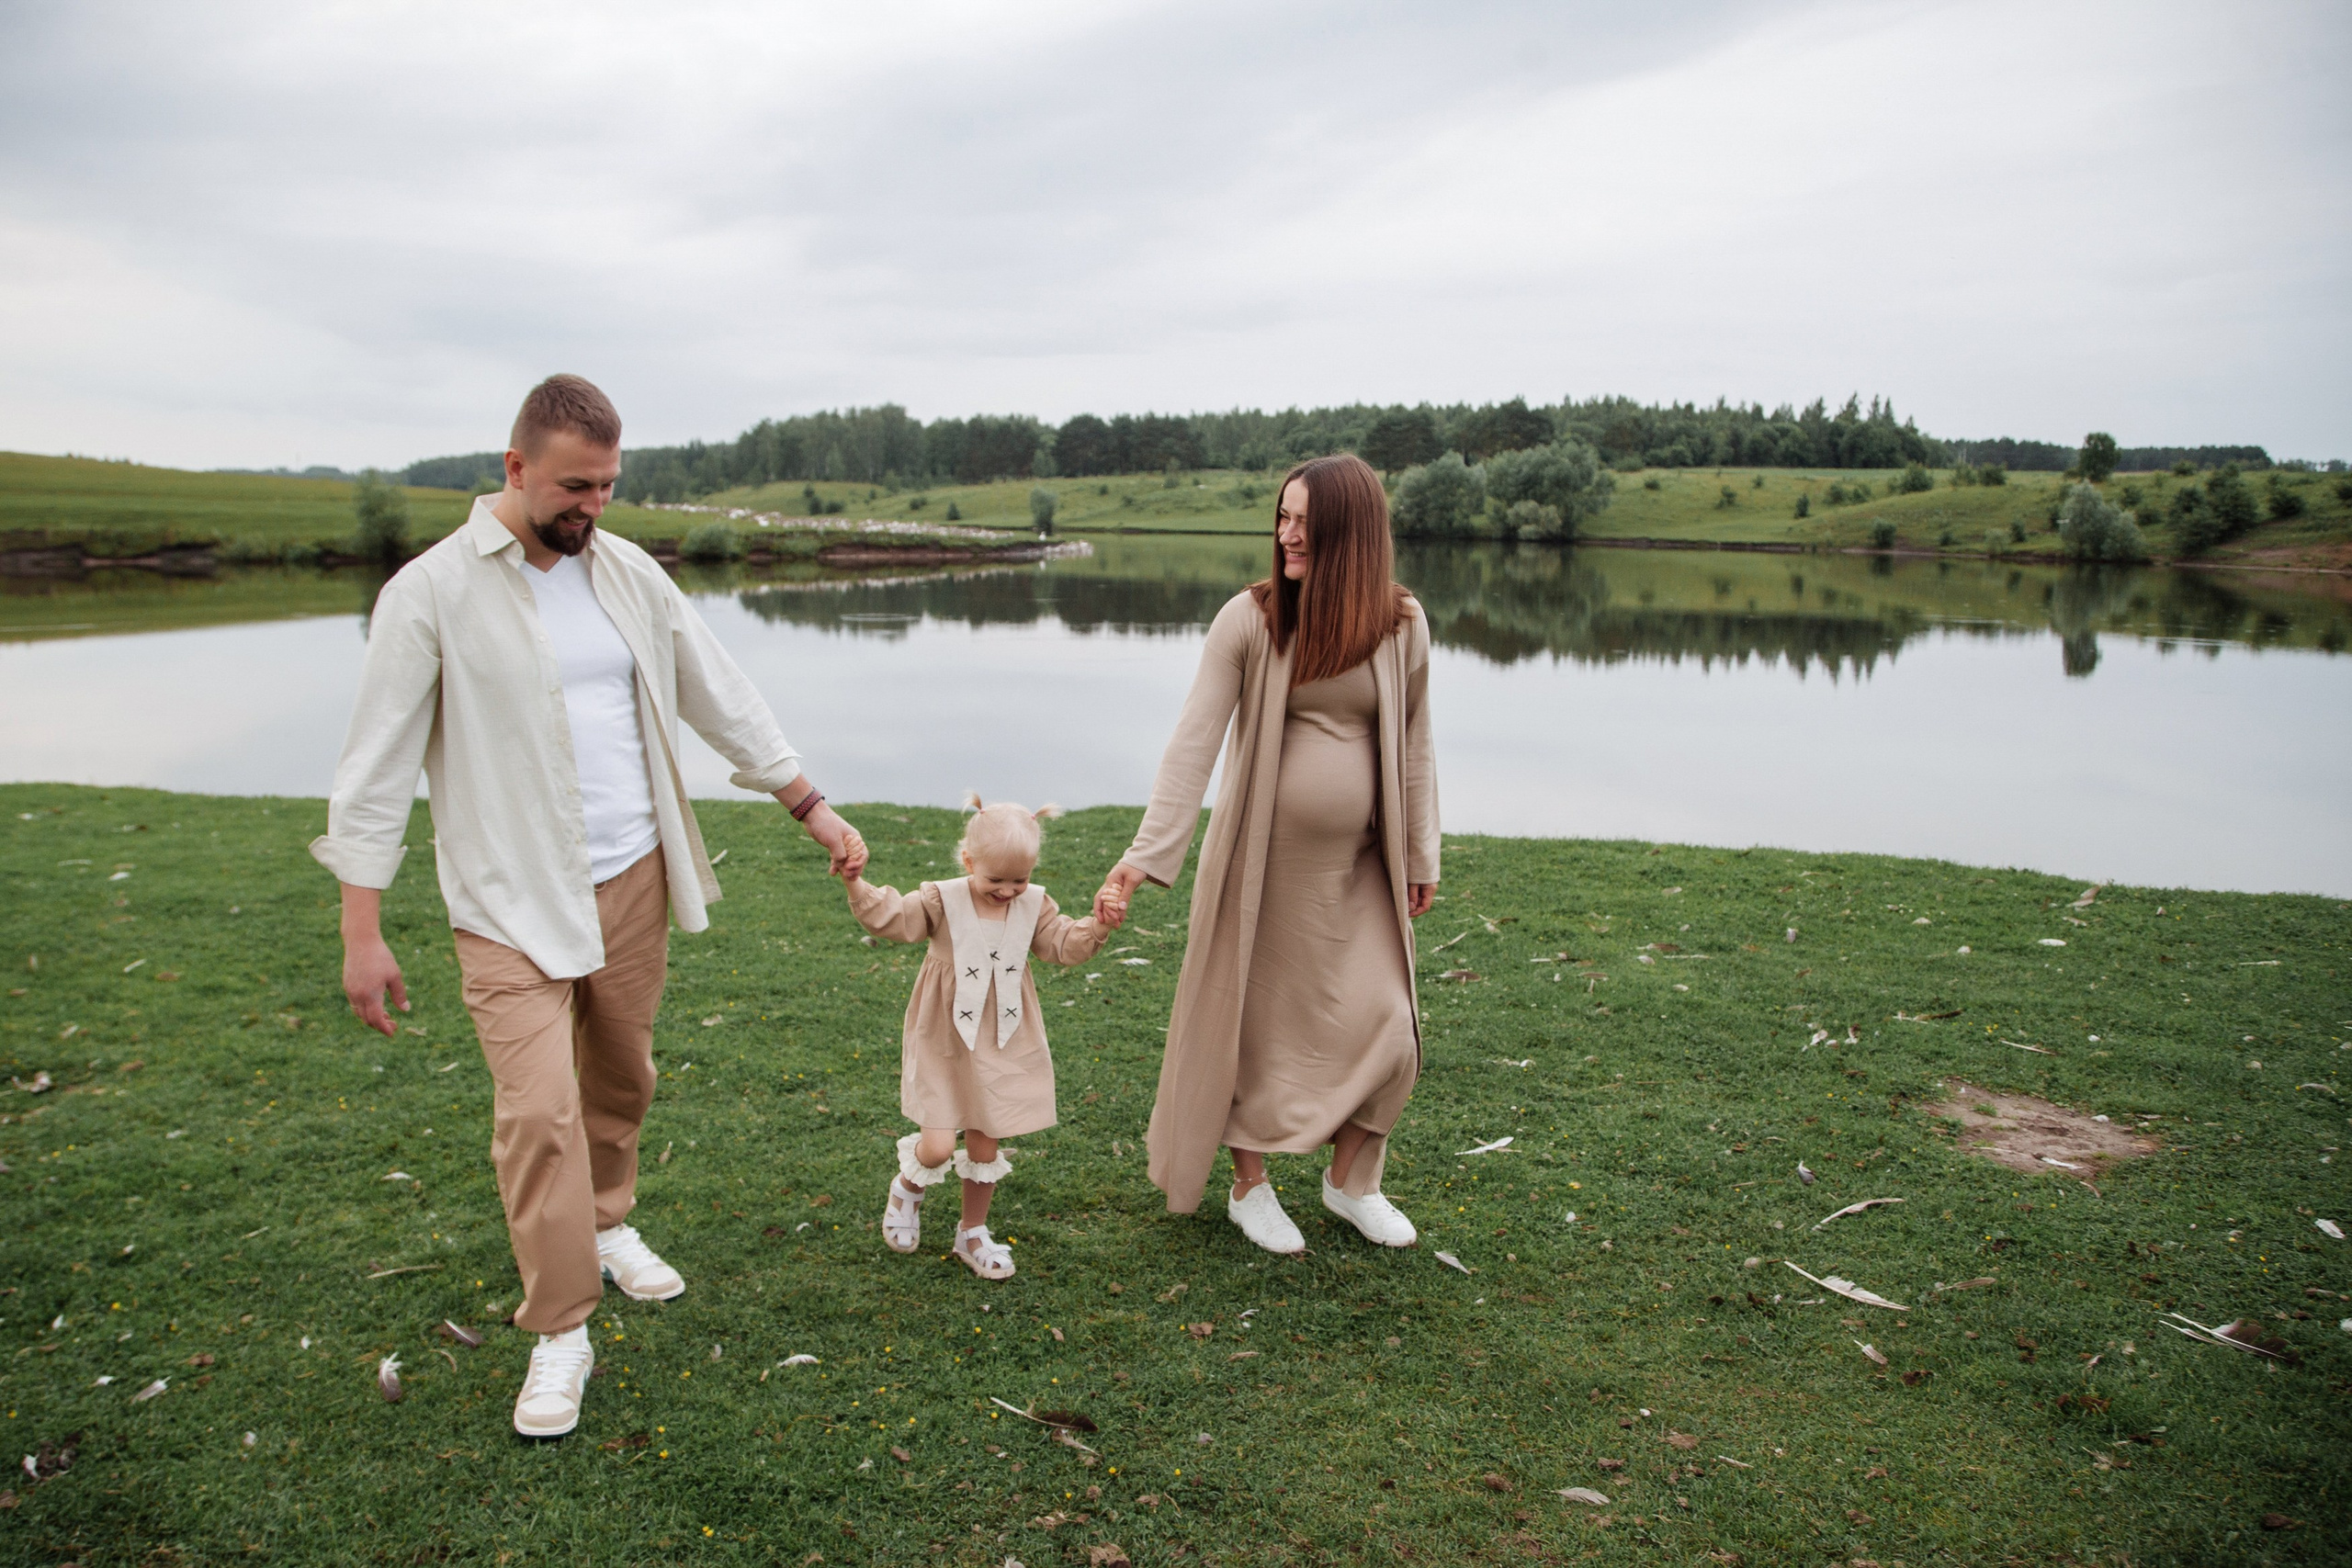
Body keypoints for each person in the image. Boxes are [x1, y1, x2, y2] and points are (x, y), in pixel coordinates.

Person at [311, 374, 868, 1438]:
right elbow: (374, 770)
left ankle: (608, 1225)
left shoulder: (624, 574)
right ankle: (560, 1327)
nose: (593, 508)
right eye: (575, 486)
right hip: (505, 898)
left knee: (620, 1080)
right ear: (513, 467)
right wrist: (362, 928)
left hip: (631, 878)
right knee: (537, 1113)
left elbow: (718, 690)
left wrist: (812, 806)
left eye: (609, 486)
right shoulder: (428, 594)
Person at [1093, 452, 1439, 1255]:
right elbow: (1194, 742)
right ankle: (1250, 1186)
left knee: (1392, 1024)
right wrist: (1144, 856)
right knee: (1247, 1029)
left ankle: (1352, 1182)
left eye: (1305, 524)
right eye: (1281, 517)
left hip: (1362, 866)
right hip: (1261, 867)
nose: (1286, 535)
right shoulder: (1248, 619)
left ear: (1352, 536)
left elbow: (1416, 745)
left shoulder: (1401, 623)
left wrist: (1420, 853)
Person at [846, 796, 1110, 1280]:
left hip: (1003, 1035)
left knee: (986, 1143)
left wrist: (1098, 926)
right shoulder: (940, 898)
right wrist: (856, 883)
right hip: (943, 1035)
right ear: (968, 862)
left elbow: (1060, 944)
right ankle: (908, 1187)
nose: (1009, 891)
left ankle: (972, 1231)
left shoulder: (1036, 904)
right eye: (996, 880)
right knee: (941, 1145)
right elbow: (894, 921)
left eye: (1020, 880)